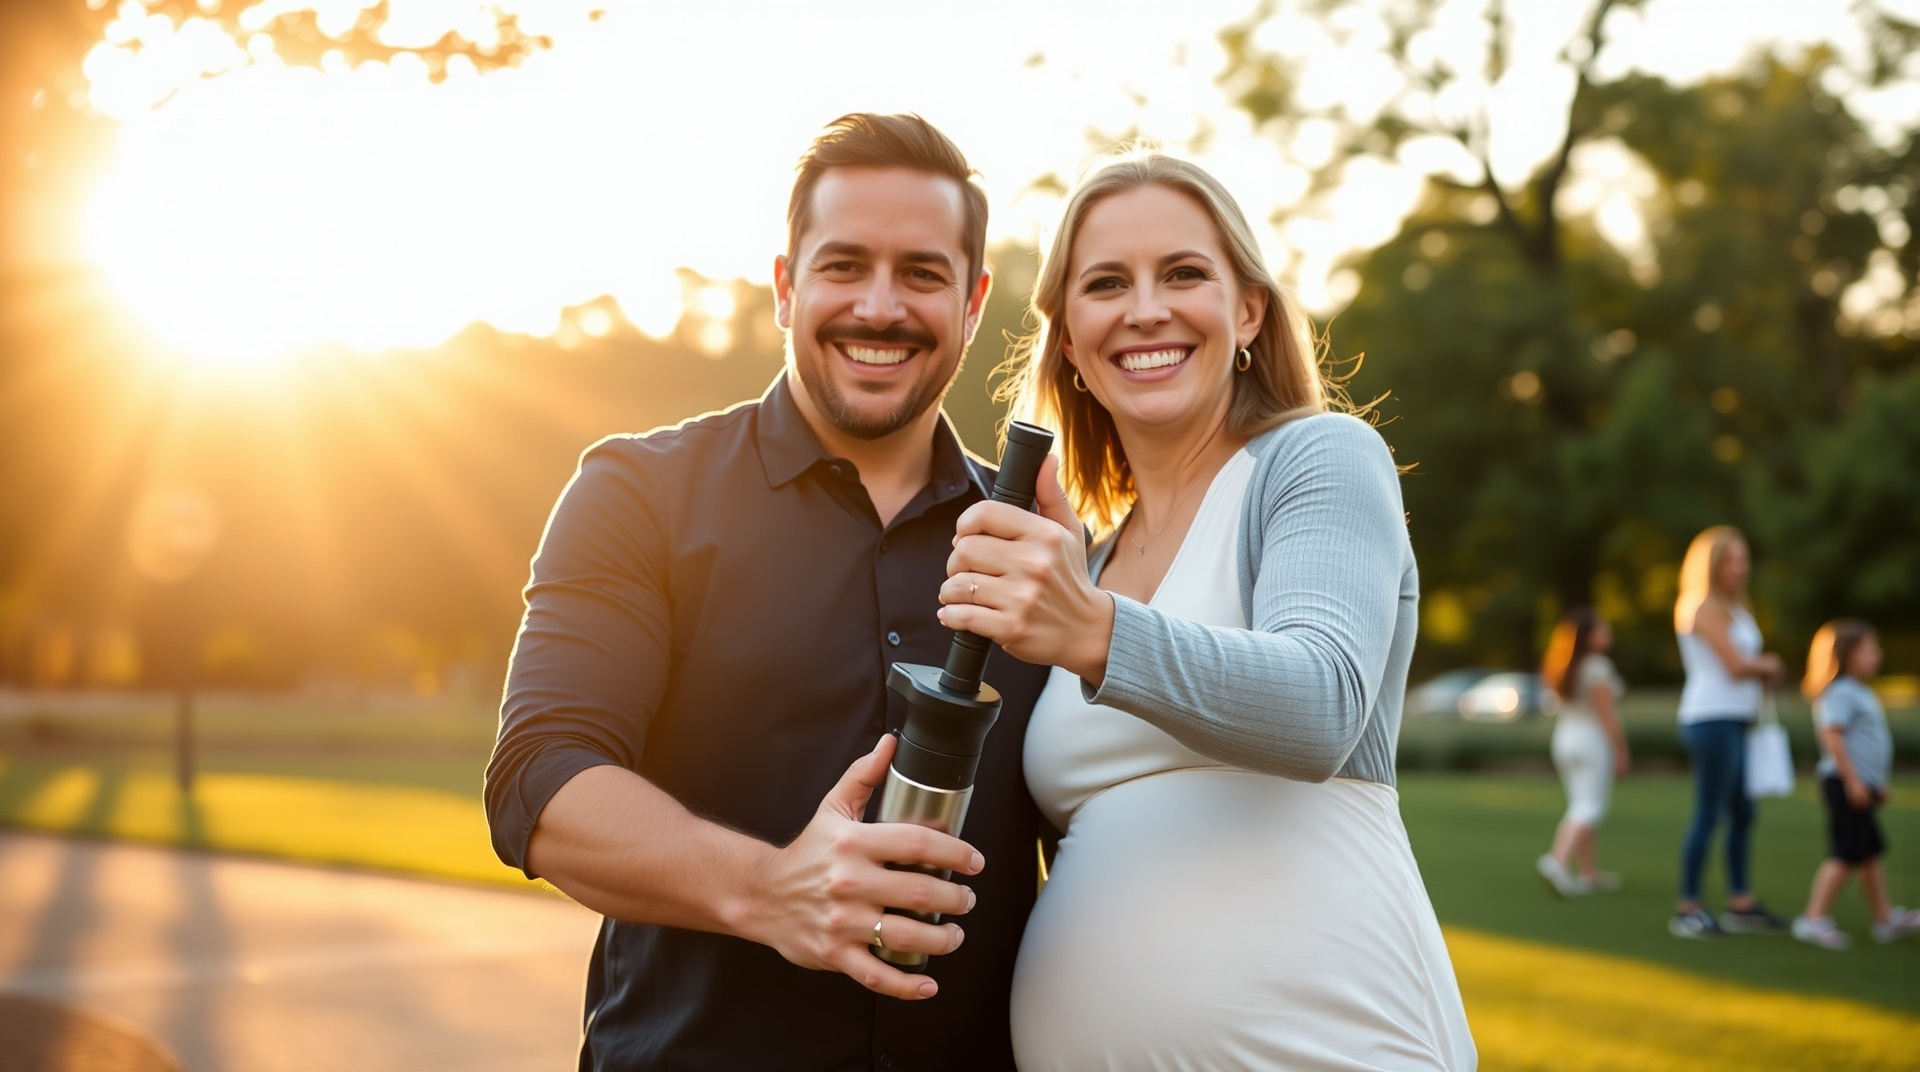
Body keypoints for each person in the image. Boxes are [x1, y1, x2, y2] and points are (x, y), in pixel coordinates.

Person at [483, 113, 1051, 1071]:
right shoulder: (640, 493)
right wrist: (772, 887)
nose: (881, 306)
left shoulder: (1042, 550)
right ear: (786, 286)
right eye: (843, 266)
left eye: (922, 273)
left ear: (972, 301)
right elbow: (538, 779)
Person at [935, 153, 1475, 1070]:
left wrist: (1093, 629)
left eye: (1184, 273)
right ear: (1069, 336)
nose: (1146, 308)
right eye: (1106, 284)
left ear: (1249, 311)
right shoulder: (1087, 564)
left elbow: (1320, 706)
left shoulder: (1316, 461)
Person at [1669, 525, 1789, 939]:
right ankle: (1688, 907)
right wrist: (1769, 664)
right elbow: (1735, 666)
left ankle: (1741, 902)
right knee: (1709, 812)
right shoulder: (1701, 606)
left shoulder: (1737, 606)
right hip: (1711, 717)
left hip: (1738, 718)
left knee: (1743, 811)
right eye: (1731, 560)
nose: (1740, 568)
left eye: (1744, 559)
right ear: (1712, 564)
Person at [1790, 620, 1920, 949]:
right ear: (1846, 654)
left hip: (1860, 785)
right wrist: (1854, 782)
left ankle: (1885, 919)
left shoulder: (1858, 690)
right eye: (1869, 648)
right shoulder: (1841, 692)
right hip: (1844, 784)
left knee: (1869, 854)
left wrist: (1877, 783)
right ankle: (1813, 918)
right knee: (1846, 854)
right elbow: (1833, 736)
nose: (1877, 655)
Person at [1535, 609, 1629, 897]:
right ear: (1589, 636)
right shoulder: (1597, 667)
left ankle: (1589, 873)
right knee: (1590, 806)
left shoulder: (1560, 665)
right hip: (1591, 741)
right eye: (1601, 629)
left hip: (1564, 739)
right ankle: (1556, 861)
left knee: (1580, 803)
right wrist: (1621, 748)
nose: (1607, 632)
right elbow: (1607, 714)